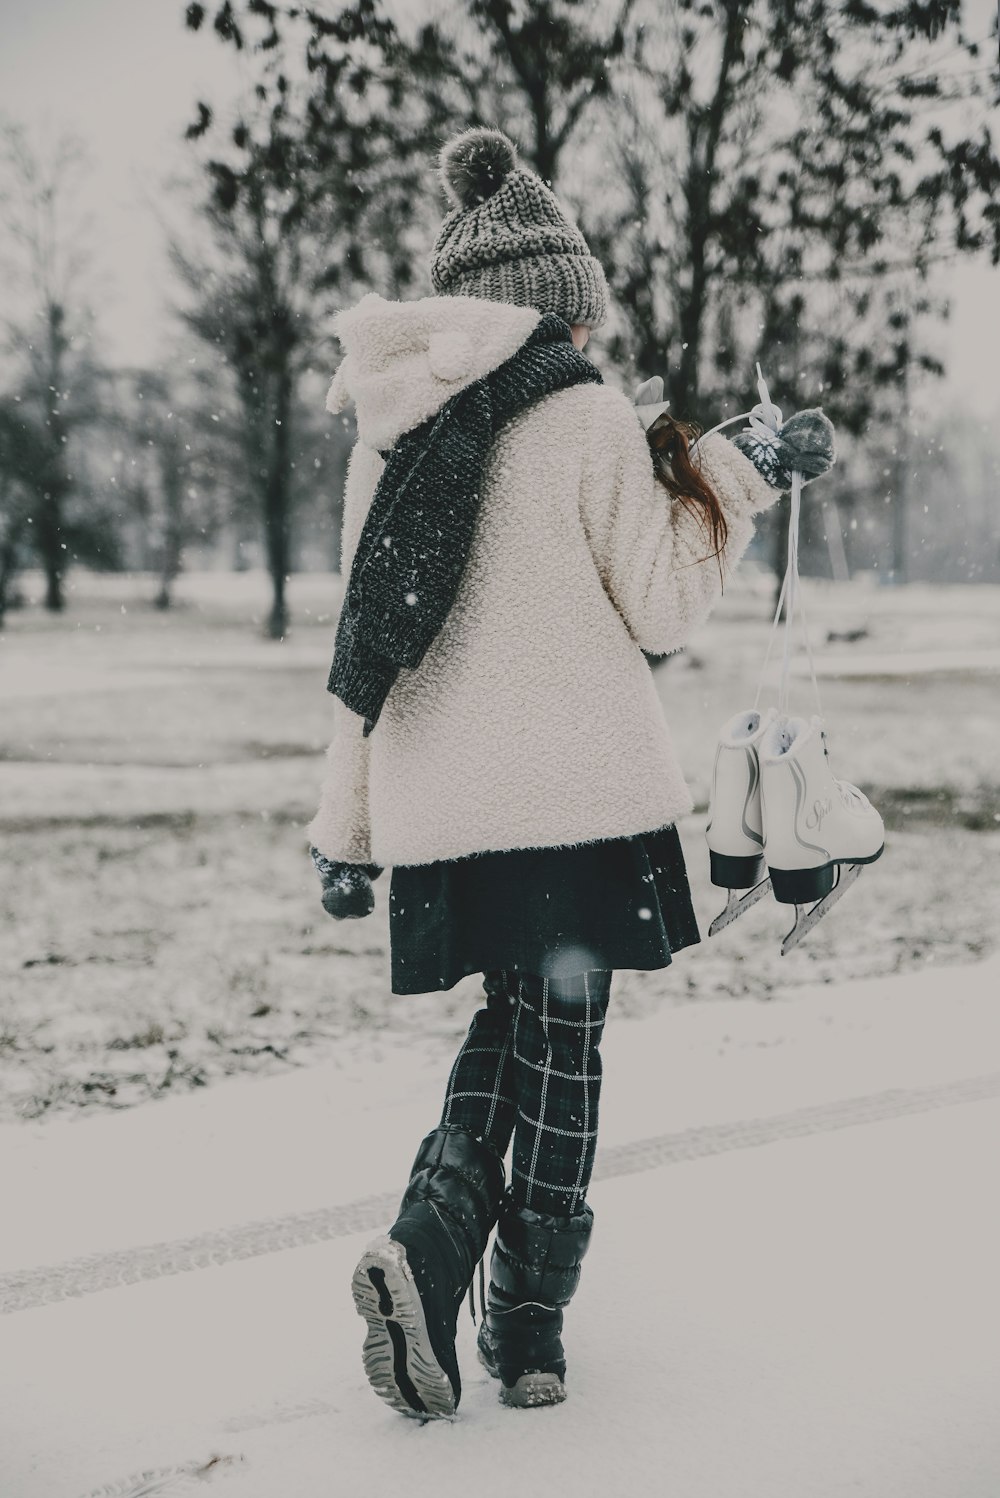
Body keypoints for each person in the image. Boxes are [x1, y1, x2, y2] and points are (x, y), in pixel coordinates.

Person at [306, 127, 829, 1418]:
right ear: (557, 304)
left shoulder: (392, 433)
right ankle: (528, 1330)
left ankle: (427, 1260)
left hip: (446, 805)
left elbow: (363, 641)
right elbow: (659, 606)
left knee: (511, 1017)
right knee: (569, 1042)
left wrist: (344, 827)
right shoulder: (584, 411)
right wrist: (735, 471)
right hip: (578, 798)